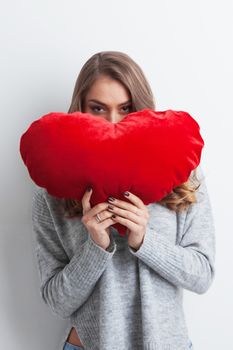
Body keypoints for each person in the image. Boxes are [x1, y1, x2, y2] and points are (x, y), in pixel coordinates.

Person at [31, 51, 216, 350]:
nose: (112, 123)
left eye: (126, 108)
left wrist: (145, 240)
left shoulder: (182, 173)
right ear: (80, 110)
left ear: (141, 108)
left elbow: (202, 275)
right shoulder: (54, 190)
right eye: (98, 108)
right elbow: (56, 302)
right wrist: (96, 246)